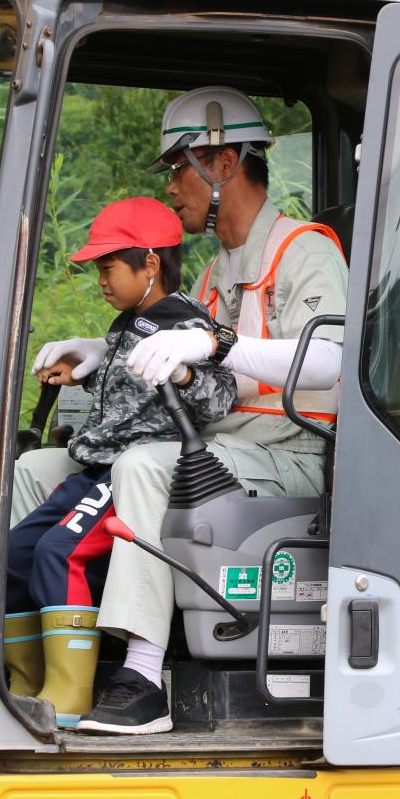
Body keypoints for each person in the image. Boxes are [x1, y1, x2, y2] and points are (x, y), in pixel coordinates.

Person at [26, 86, 348, 735]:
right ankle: (37, 662)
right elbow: (169, 345)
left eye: (178, 169)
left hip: (289, 454)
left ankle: (142, 679)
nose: (173, 189)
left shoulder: (303, 251)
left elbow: (333, 362)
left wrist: (217, 343)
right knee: (37, 467)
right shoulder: (210, 275)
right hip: (215, 447)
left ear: (224, 163)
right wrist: (97, 351)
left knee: (143, 465)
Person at [4, 196, 236, 728]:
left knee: (59, 551)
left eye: (109, 267)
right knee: (17, 548)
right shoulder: (127, 323)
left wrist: (183, 372)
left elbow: (220, 396)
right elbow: (126, 390)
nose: (102, 279)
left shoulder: (184, 324)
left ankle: (70, 690)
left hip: (125, 470)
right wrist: (85, 372)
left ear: (150, 263)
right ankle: (25, 680)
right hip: (95, 464)